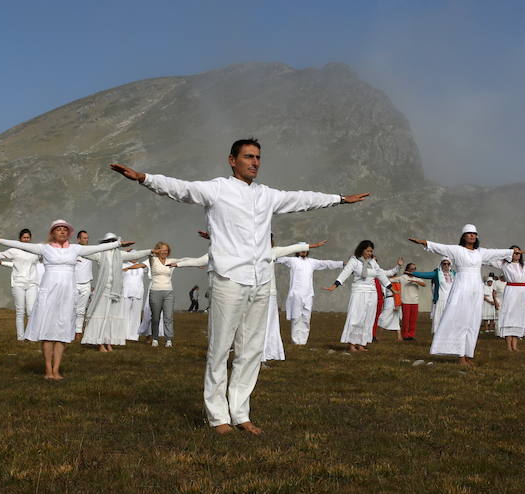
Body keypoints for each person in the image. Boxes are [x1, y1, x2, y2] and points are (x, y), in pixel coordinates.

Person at [110, 137, 367, 435]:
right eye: (248, 156)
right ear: (232, 160)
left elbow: (302, 199)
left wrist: (339, 198)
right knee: (220, 349)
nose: (255, 162)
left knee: (251, 350)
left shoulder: (267, 195)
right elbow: (181, 189)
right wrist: (144, 178)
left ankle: (241, 412)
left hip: (261, 279)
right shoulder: (217, 189)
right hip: (229, 278)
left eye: (258, 157)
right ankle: (217, 416)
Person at [0, 220, 125, 379]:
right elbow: (20, 245)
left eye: (65, 229)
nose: (62, 232)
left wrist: (118, 244)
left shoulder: (75, 249)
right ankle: (48, 370)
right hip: (48, 295)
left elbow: (98, 248)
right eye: (58, 229)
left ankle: (56, 370)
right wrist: (0, 241)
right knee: (47, 332)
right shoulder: (44, 248)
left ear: (69, 233)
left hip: (67, 296)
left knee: (62, 333)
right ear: (52, 233)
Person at [407, 224, 512, 367]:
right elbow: (441, 248)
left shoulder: (480, 252)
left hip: (476, 289)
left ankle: (468, 355)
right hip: (462, 287)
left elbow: (496, 253)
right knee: (461, 320)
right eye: (469, 233)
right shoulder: (457, 250)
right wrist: (425, 243)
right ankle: (460, 355)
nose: (472, 236)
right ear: (464, 236)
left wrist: (512, 252)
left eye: (474, 234)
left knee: (473, 322)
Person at [325, 240, 401, 352]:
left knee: (368, 319)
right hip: (359, 292)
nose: (370, 253)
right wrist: (334, 285)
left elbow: (381, 275)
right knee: (356, 317)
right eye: (368, 251)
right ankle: (351, 343)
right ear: (362, 250)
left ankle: (362, 343)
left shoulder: (373, 262)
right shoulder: (354, 261)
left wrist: (392, 289)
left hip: (372, 293)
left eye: (371, 251)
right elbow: (345, 273)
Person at [0, 229, 40, 340]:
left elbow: (49, 256)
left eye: (28, 238)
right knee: (20, 311)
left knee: (31, 311)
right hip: (18, 284)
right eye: (24, 238)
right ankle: (21, 338)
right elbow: (0, 255)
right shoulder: (14, 251)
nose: (26, 240)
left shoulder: (36, 251)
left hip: (32, 284)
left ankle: (31, 336)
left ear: (30, 238)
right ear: (20, 239)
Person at [275, 250, 344, 345]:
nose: (303, 251)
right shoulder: (293, 260)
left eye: (305, 250)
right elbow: (279, 259)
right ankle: (296, 341)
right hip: (296, 294)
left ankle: (303, 341)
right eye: (301, 249)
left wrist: (342, 264)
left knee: (306, 318)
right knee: (296, 318)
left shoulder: (312, 262)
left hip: (308, 294)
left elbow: (326, 263)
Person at [407, 258, 455, 334]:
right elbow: (425, 275)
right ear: (441, 264)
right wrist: (413, 273)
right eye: (444, 264)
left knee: (450, 319)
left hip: (451, 301)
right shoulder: (437, 273)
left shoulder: (454, 274)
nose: (446, 265)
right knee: (439, 319)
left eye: (448, 264)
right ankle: (438, 336)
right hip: (440, 300)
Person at [399, 264, 426, 341]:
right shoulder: (403, 277)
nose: (413, 270)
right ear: (407, 269)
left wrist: (415, 280)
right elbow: (392, 280)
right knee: (406, 319)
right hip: (405, 301)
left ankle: (411, 335)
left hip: (415, 301)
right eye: (411, 269)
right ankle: (405, 335)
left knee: (413, 320)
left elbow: (424, 284)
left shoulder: (416, 278)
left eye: (414, 269)